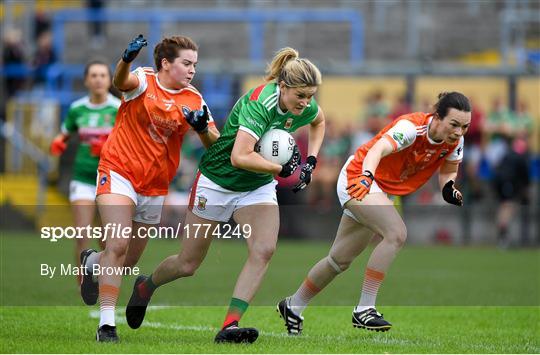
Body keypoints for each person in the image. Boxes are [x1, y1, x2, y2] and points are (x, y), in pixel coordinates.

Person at [124, 47, 326, 344]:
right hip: (218, 180)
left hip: (256, 186)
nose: (306, 103)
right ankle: (146, 287)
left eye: (311, 96)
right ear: (283, 87)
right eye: (301, 96)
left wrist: (311, 161)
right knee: (187, 264)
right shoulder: (260, 103)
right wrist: (280, 168)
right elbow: (239, 156)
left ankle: (230, 325)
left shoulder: (303, 104)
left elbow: (319, 121)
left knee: (264, 250)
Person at [277, 92, 471, 334]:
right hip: (359, 178)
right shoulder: (412, 128)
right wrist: (367, 178)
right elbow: (377, 149)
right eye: (454, 124)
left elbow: (449, 168)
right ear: (437, 117)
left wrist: (448, 187)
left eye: (464, 126)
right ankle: (364, 309)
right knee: (396, 233)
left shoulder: (455, 140)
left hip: (379, 188)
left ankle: (293, 306)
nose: (459, 131)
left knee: (338, 261)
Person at [78, 34, 220, 342]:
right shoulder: (144, 80)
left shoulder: (195, 99)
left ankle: (92, 262)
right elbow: (120, 81)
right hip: (118, 170)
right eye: (186, 63)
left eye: (195, 64)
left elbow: (215, 144)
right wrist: (126, 58)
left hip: (155, 185)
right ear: (166, 64)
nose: (192, 70)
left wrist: (199, 128)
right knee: (117, 246)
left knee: (128, 260)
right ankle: (106, 326)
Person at [49, 60, 120, 280]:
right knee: (81, 234)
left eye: (102, 75)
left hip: (110, 179)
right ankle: (83, 284)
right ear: (86, 80)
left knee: (106, 239)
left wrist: (107, 146)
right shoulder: (77, 108)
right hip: (83, 177)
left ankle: (102, 278)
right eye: (94, 75)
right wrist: (58, 141)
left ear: (110, 80)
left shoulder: (119, 108)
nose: (98, 79)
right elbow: (65, 132)